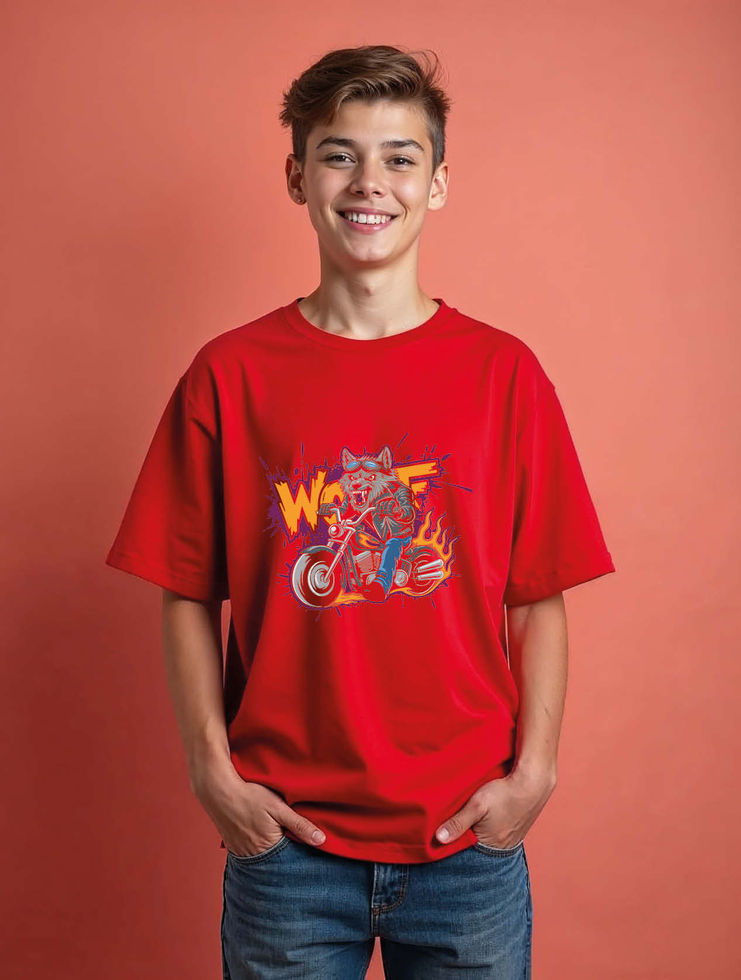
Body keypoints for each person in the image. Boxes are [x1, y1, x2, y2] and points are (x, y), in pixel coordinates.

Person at [105, 43, 615, 980]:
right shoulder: (230, 374)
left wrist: (534, 772)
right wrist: (211, 773)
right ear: (296, 177)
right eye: (338, 154)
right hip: (287, 847)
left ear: (437, 183)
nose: (368, 181)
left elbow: (537, 596)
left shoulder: (502, 374)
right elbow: (186, 590)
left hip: (467, 842)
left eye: (399, 157)